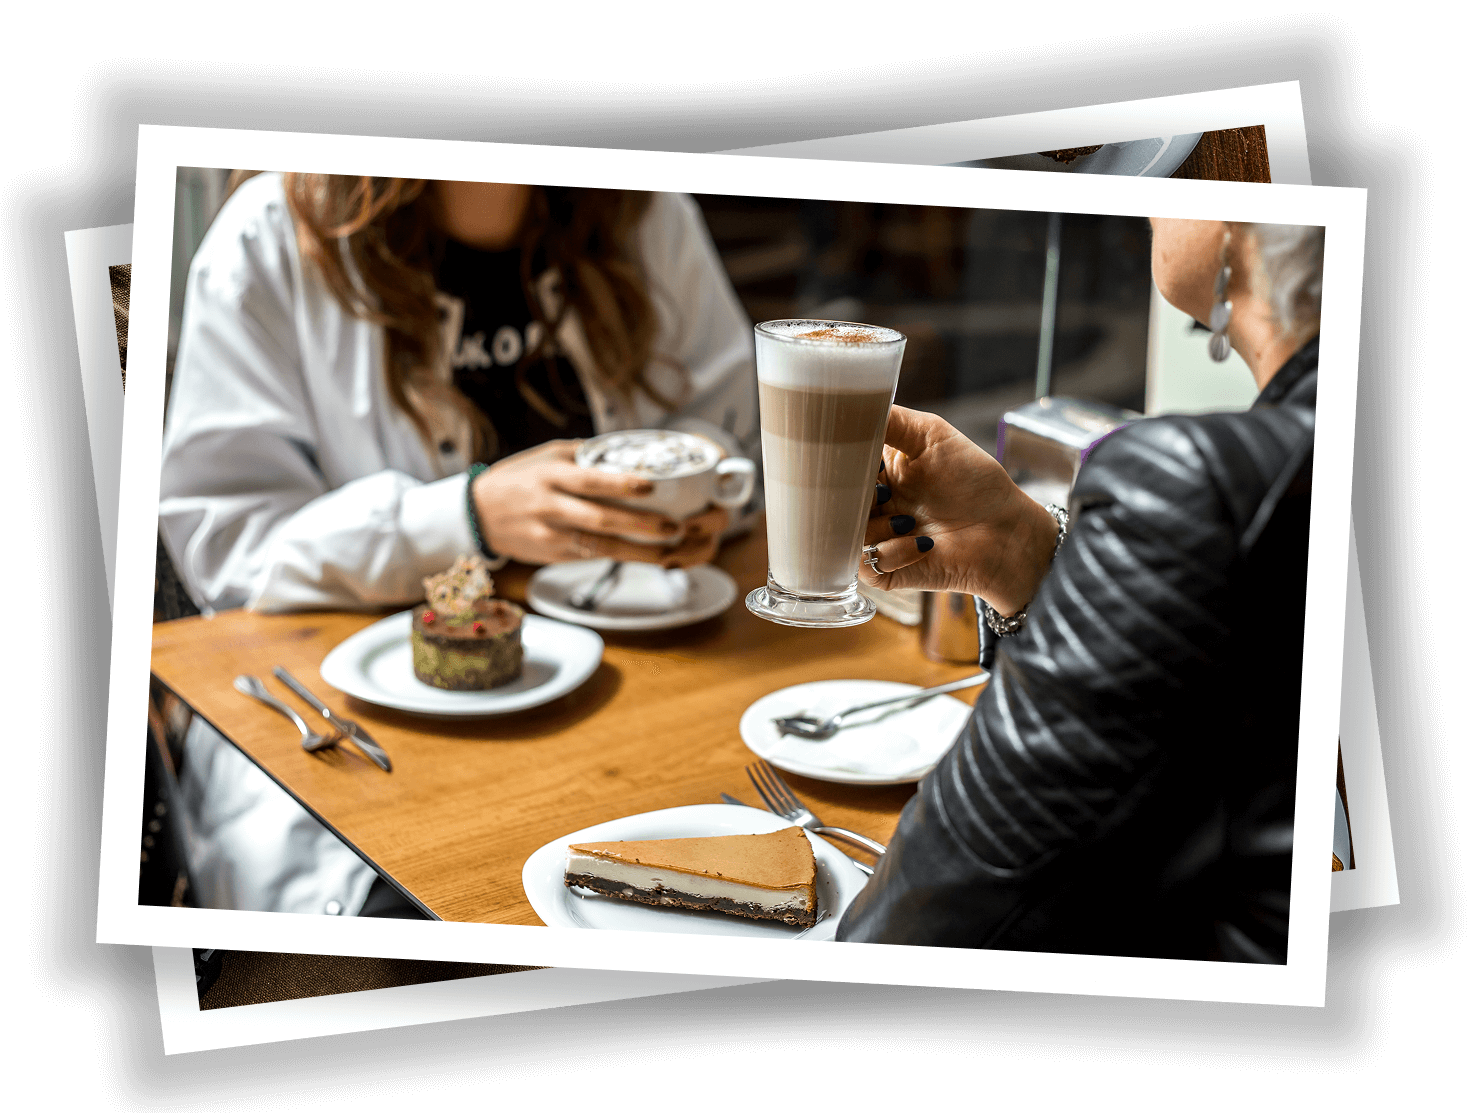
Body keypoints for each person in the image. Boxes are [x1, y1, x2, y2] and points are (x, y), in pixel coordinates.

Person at [159, 173, 759, 916]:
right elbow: (228, 545)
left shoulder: (645, 206)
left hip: (644, 693)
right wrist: (465, 520)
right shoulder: (272, 232)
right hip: (378, 734)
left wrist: (690, 498)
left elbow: (733, 428)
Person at [839, 219, 1322, 962]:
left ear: (1246, 231)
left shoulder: (1197, 479)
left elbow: (919, 926)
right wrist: (1025, 554)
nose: (1157, 213)